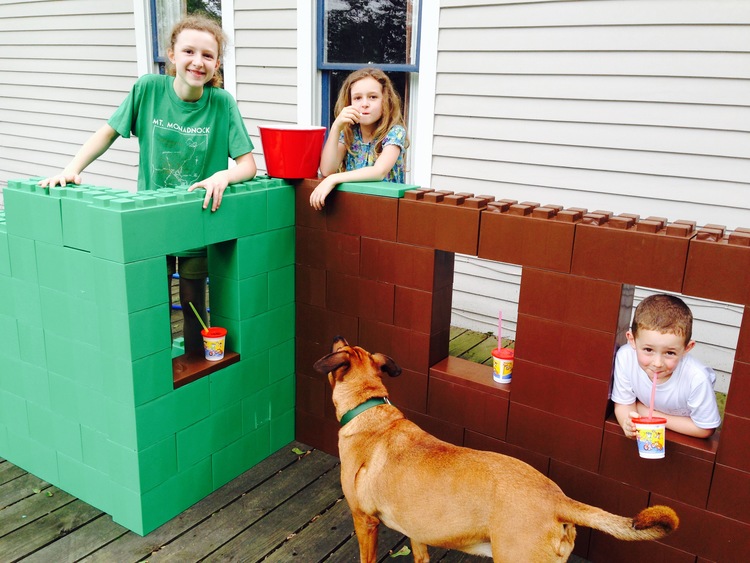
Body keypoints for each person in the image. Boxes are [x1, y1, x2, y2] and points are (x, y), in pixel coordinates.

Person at [39, 14, 257, 356]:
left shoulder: (221, 103)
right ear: (171, 54)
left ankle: (193, 365)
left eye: (208, 55)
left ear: (217, 63)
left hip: (197, 223)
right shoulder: (148, 89)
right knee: (151, 302)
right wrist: (71, 169)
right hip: (152, 221)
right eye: (188, 51)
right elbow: (107, 132)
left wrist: (223, 175)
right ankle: (155, 368)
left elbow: (248, 166)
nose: (197, 62)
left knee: (192, 302)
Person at [611, 294, 721, 439]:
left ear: (687, 348)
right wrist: (628, 423)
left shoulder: (697, 378)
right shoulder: (626, 358)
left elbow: (705, 428)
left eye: (669, 352)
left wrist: (649, 414)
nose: (657, 363)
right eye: (648, 350)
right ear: (632, 340)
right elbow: (624, 404)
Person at [309, 67, 408, 210]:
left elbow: (378, 172)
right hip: (354, 208)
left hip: (387, 209)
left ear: (385, 100)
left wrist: (334, 179)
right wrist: (337, 126)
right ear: (349, 102)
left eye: (373, 97)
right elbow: (327, 170)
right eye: (357, 98)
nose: (365, 104)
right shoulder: (349, 133)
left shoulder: (395, 132)